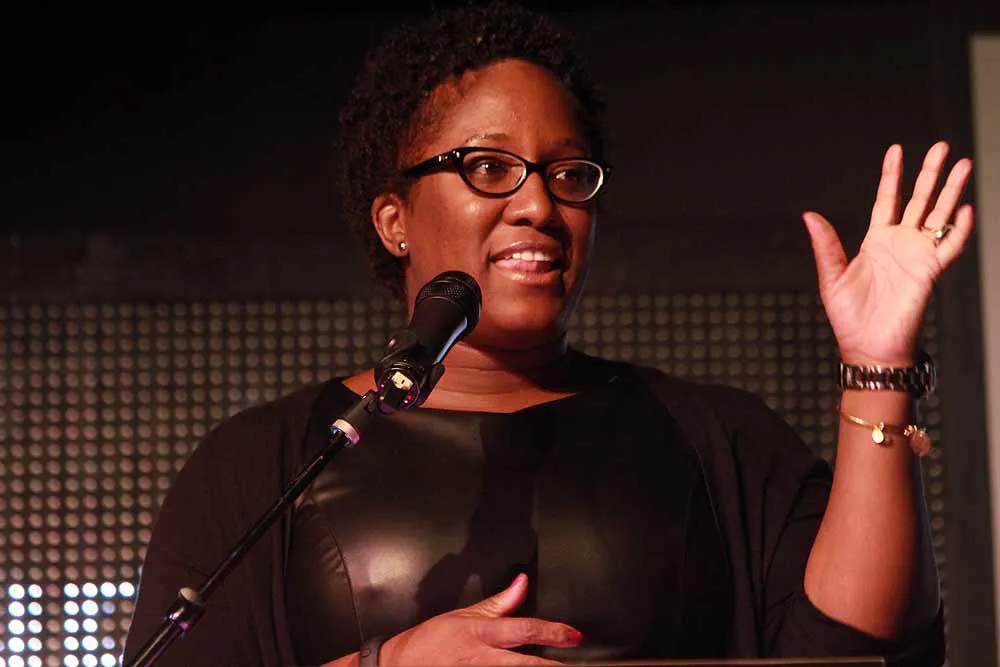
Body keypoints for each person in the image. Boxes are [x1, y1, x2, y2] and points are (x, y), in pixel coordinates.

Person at [122, 3, 974, 666]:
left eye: (567, 174)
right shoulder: (269, 462)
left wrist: (879, 365)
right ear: (393, 221)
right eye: (489, 167)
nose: (538, 203)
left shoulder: (720, 439)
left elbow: (862, 653)